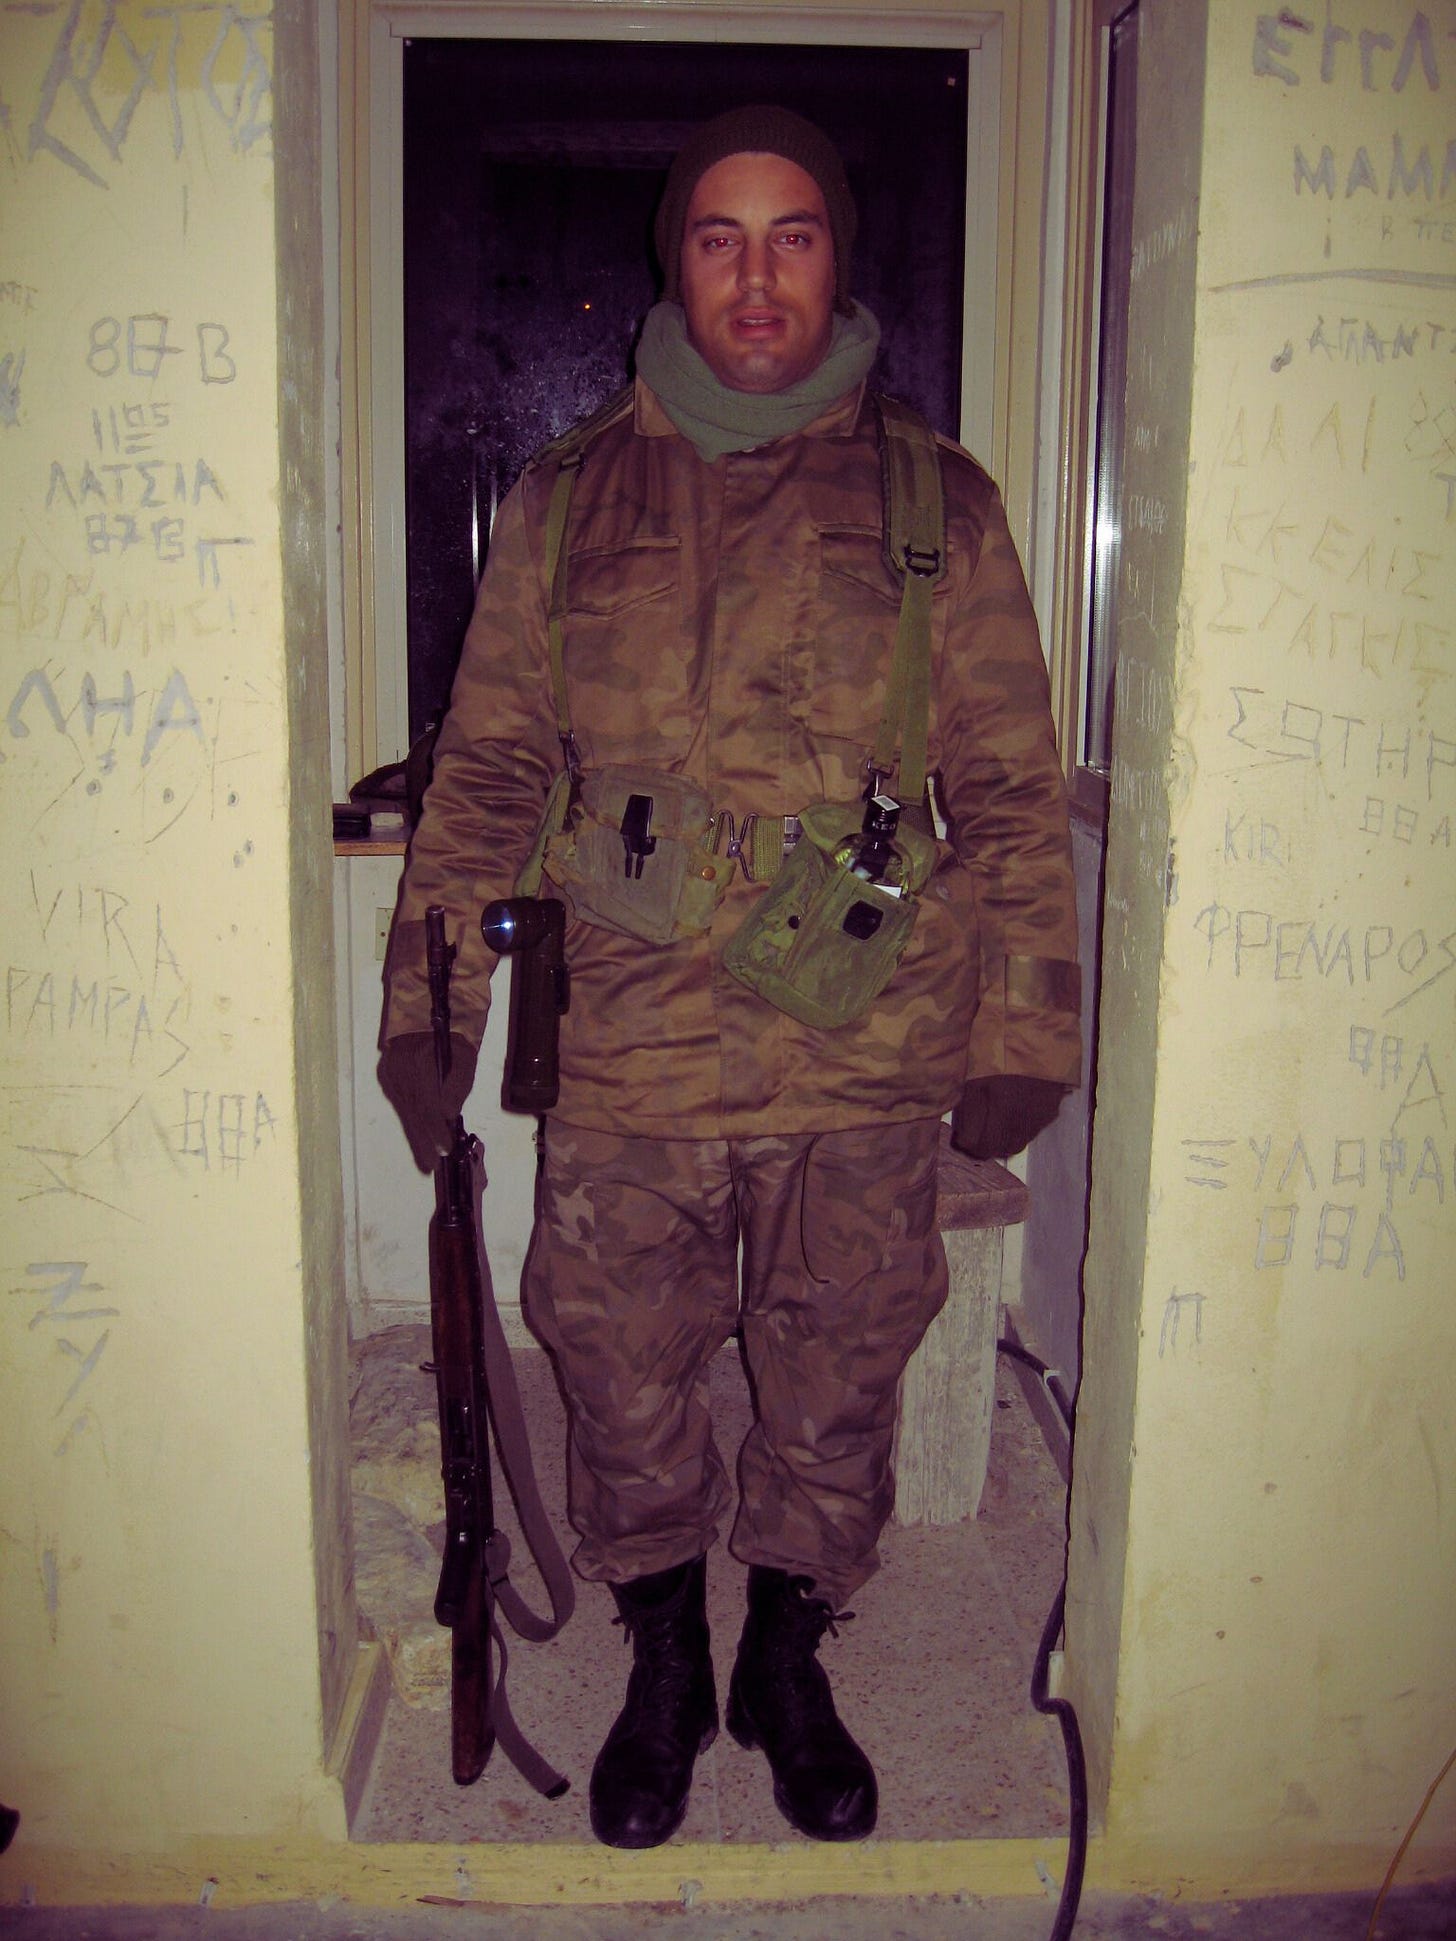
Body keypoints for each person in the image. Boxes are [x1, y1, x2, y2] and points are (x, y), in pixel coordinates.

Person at [379, 105, 1080, 1850]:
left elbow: (1004, 785)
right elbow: (480, 779)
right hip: (627, 1038)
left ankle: (789, 1651)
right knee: (611, 1357)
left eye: (795, 235)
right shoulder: (564, 499)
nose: (756, 274)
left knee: (840, 1362)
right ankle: (664, 1654)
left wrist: (1026, 1027)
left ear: (839, 258)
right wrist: (429, 1003)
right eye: (720, 235)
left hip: (858, 1039)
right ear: (674, 259)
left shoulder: (942, 500)